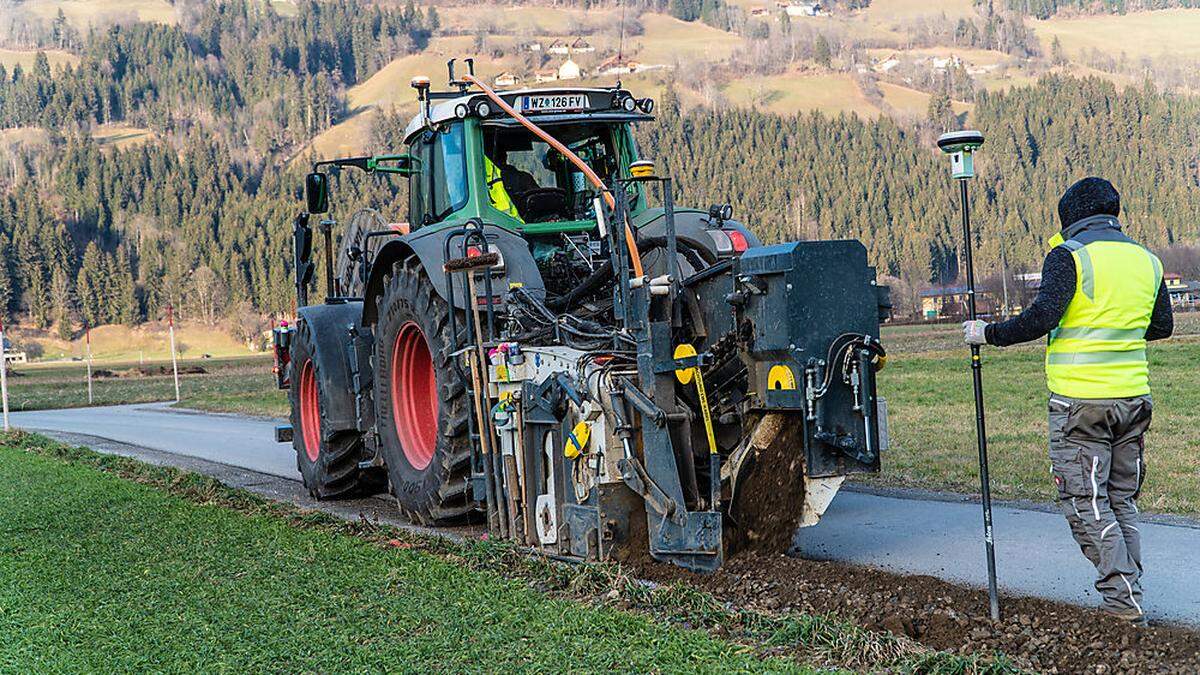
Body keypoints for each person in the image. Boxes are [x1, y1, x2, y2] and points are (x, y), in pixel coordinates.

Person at [963, 177, 1173, 625]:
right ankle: (1130, 592)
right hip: (1134, 399)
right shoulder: (1147, 260)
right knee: (1121, 501)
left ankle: (1124, 605)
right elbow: (1161, 327)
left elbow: (1042, 316)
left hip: (1081, 403)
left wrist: (987, 333)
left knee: (1086, 503)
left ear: (1070, 218)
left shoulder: (1069, 256)